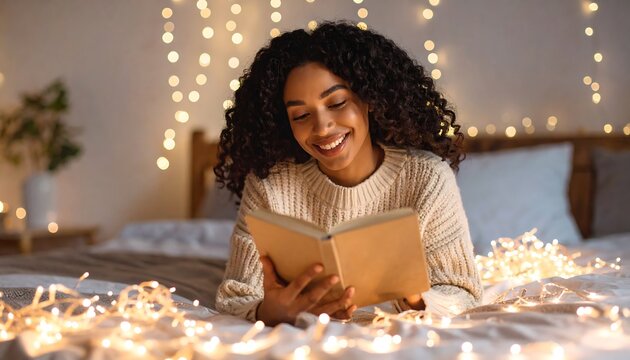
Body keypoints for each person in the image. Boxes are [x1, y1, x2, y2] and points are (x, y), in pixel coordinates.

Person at [214, 21, 481, 326]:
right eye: (301, 115)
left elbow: (465, 293)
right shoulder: (269, 185)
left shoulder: (428, 178)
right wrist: (271, 312)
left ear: (369, 98)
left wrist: (416, 297)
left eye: (337, 103)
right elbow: (235, 299)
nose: (322, 127)